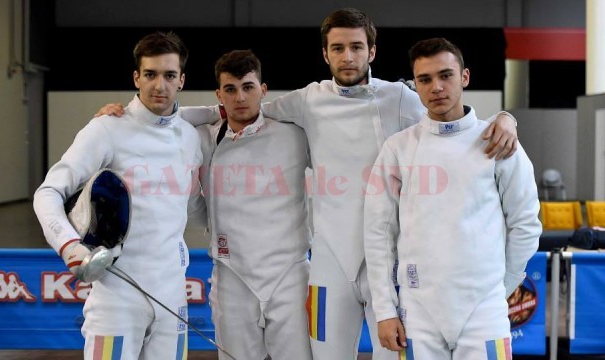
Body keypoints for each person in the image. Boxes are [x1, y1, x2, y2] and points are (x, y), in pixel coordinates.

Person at [95, 8, 519, 359]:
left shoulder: (402, 97)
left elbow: (450, 114)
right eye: (338, 48)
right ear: (325, 53)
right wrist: (143, 117)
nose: (348, 56)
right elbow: (241, 108)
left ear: (372, 50)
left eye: (356, 47)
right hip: (329, 260)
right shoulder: (308, 99)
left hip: (386, 260)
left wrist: (504, 119)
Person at [363, 37, 541, 359]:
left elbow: (525, 224)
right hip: (418, 310)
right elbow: (378, 235)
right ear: (415, 85)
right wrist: (385, 310)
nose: (437, 87)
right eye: (425, 79)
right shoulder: (398, 148)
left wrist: (498, 290)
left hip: (484, 310)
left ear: (464, 77)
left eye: (446, 75)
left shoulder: (498, 142)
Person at [33, 32, 202, 360]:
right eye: (150, 75)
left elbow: (223, 114)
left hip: (172, 293)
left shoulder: (189, 135)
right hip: (116, 294)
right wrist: (70, 247)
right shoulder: (107, 128)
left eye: (169, 76)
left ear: (181, 80)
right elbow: (49, 192)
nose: (159, 86)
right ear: (136, 77)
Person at [194, 49, 312, 360]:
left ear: (263, 90)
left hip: (289, 274)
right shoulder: (203, 139)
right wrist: (127, 113)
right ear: (219, 95)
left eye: (248, 87)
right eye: (230, 90)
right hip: (232, 273)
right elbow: (163, 117)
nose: (240, 97)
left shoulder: (294, 134)